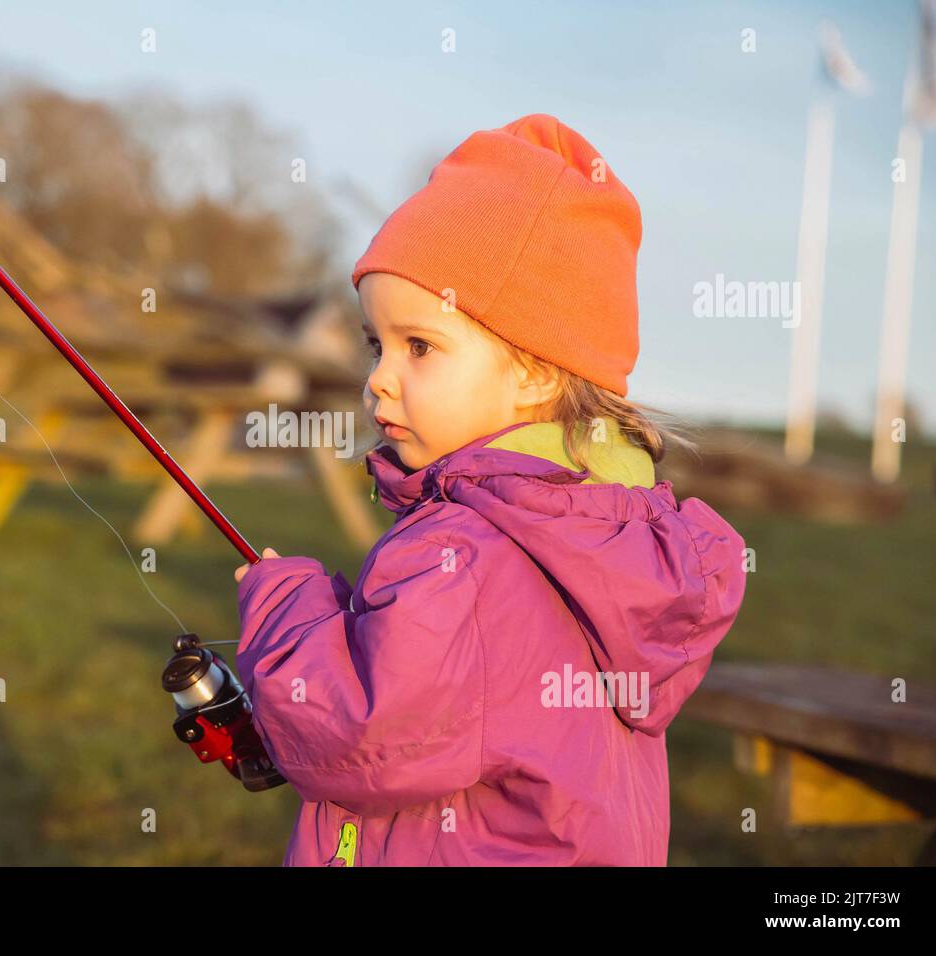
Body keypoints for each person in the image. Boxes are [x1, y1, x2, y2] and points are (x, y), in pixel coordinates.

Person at [233, 114, 747, 866]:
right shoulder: (606, 532)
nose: (378, 376)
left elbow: (361, 733)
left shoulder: (465, 554)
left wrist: (287, 612)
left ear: (536, 369)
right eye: (377, 344)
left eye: (420, 346)